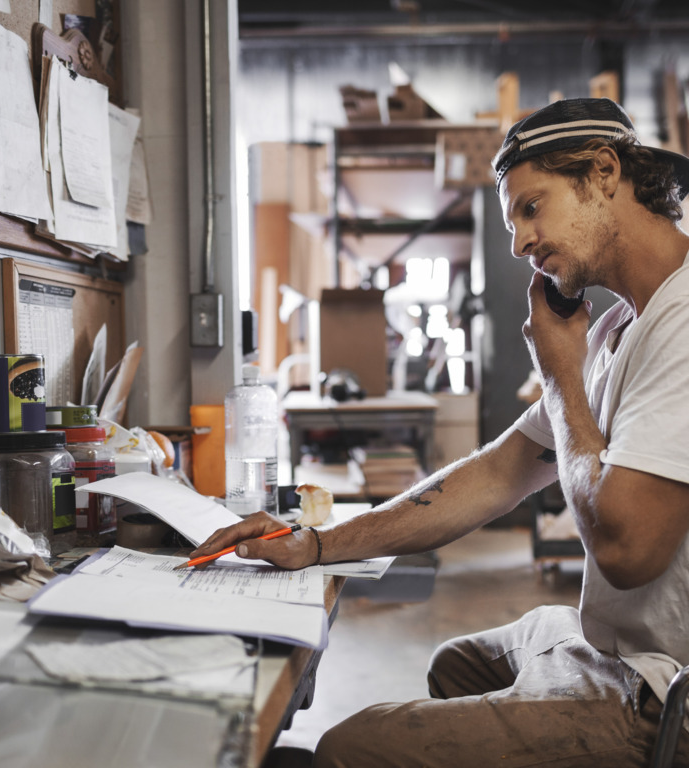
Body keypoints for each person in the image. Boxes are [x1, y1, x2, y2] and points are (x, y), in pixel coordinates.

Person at [190, 98, 689, 767]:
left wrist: (561, 379)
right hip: (620, 647)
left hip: (666, 689)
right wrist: (315, 544)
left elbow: (629, 552)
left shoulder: (680, 324)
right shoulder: (613, 329)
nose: (518, 243)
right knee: (458, 664)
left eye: (531, 208)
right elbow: (493, 474)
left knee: (348, 750)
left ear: (603, 173)